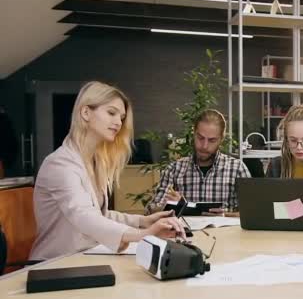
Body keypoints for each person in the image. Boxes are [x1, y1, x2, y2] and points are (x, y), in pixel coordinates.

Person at [30, 81, 184, 261]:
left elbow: (100, 215)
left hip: (84, 258)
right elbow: (84, 216)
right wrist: (142, 234)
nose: (118, 122)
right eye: (111, 113)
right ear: (86, 112)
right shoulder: (60, 164)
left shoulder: (94, 162)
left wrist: (142, 221)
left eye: (121, 117)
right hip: (53, 264)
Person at [146, 109, 250, 215]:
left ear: (221, 139)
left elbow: (252, 212)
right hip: (185, 231)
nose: (204, 146)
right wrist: (170, 206)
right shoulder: (174, 169)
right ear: (194, 134)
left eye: (212, 140)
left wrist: (224, 215)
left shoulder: (237, 168)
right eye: (200, 138)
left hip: (224, 231)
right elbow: (151, 212)